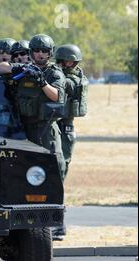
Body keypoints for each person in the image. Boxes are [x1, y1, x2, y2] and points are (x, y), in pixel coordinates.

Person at [0, 34, 66, 180]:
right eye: (37, 50)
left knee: (53, 165)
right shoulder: (24, 69)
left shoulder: (54, 72)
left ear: (50, 52)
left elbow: (57, 96)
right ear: (32, 52)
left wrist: (42, 82)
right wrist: (19, 68)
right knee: (21, 166)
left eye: (44, 50)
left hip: (45, 128)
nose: (40, 54)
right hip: (23, 128)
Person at [55, 44, 88, 179]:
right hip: (54, 124)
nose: (69, 64)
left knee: (62, 162)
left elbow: (66, 84)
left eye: (71, 62)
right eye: (66, 61)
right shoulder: (60, 74)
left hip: (65, 126)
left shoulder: (74, 79)